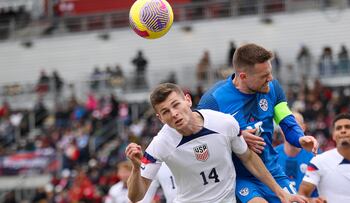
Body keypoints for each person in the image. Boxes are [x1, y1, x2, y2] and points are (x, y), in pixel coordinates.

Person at [126, 83, 307, 203]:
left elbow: (249, 158)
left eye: (176, 105)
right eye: (165, 112)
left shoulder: (224, 123)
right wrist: (135, 168)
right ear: (160, 118)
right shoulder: (160, 145)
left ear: (187, 100)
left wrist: (280, 192)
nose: (173, 113)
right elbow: (136, 196)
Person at [197, 43, 318, 203]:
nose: (270, 78)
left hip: (272, 171)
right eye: (264, 76)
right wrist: (235, 138)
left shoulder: (272, 87)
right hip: (239, 177)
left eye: (270, 73)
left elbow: (285, 119)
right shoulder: (213, 101)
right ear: (243, 76)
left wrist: (300, 138)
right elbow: (201, 144)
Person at [299, 113, 350, 203]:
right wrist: (312, 201)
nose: (343, 130)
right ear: (333, 135)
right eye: (338, 128)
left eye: (348, 127)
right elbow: (301, 196)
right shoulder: (319, 161)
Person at [275, 112, 318, 197]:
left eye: (295, 125)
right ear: (281, 129)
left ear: (303, 128)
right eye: (287, 126)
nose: (291, 130)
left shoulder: (315, 157)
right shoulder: (271, 156)